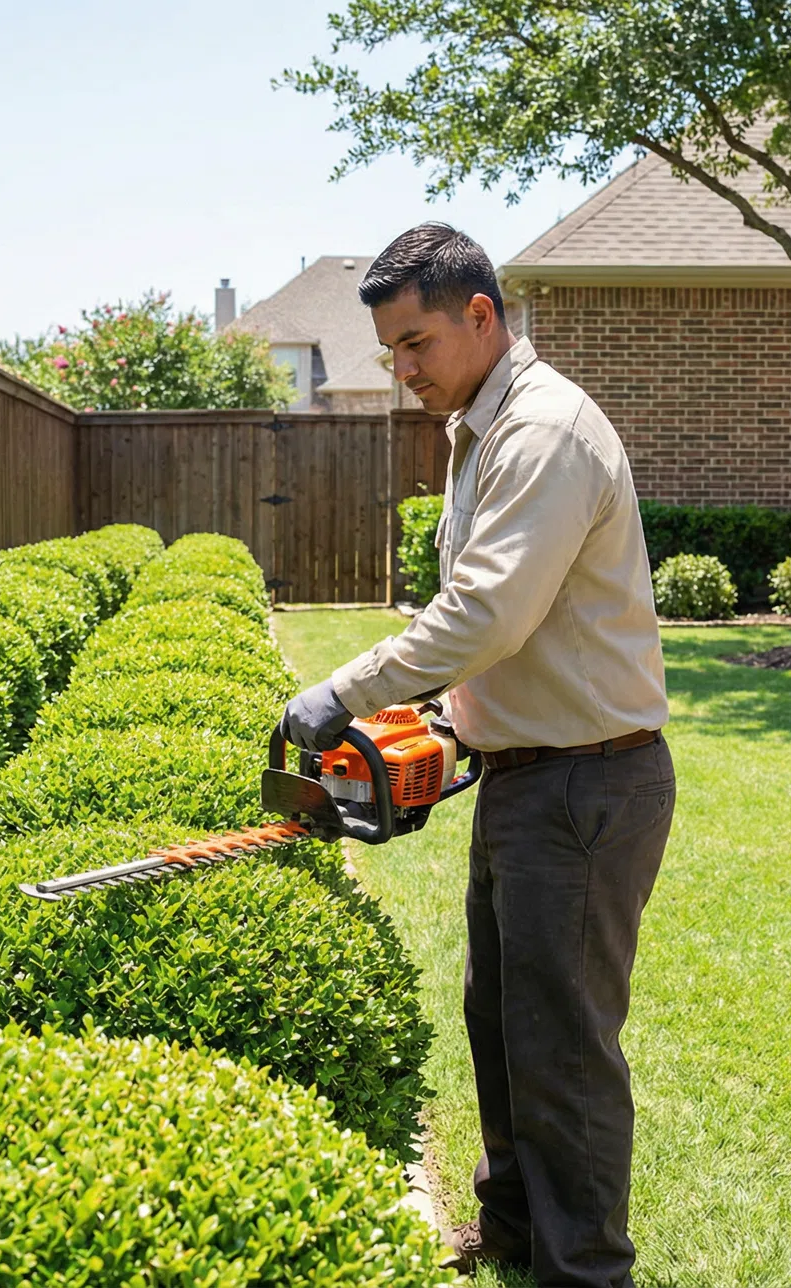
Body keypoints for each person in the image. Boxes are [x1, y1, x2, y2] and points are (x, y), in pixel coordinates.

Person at [280, 223, 674, 1287]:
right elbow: (512, 631)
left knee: (563, 1049)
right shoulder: (480, 425)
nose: (402, 370)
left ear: (480, 316)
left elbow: (485, 613)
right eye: (389, 353)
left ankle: (584, 1271)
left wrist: (344, 692)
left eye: (414, 343)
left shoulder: (542, 431)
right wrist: (451, 729)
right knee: (501, 1019)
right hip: (528, 776)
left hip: (587, 785)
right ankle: (512, 1235)